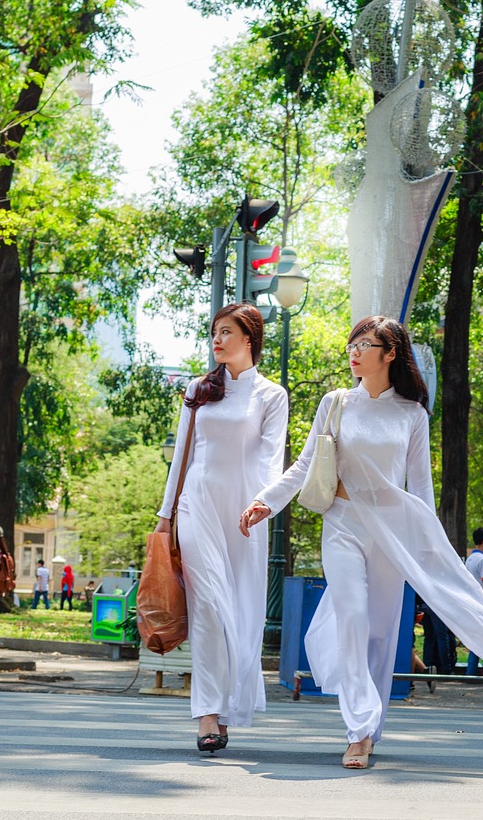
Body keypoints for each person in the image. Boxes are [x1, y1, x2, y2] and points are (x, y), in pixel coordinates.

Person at [241, 316, 483, 770]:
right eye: (351, 343)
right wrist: (266, 501)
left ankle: (371, 728)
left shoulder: (412, 414)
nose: (354, 351)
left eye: (365, 343)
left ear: (390, 352)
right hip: (341, 524)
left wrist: (430, 551)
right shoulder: (335, 403)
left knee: (379, 634)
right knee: (353, 617)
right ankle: (358, 728)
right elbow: (304, 466)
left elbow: (420, 489)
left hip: (392, 533)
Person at [154, 302, 288, 754]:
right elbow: (183, 455)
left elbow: (273, 458)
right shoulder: (199, 389)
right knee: (208, 605)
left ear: (249, 338)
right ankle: (207, 713)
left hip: (245, 515)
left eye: (226, 331)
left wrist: (264, 503)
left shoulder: (271, 396)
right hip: (198, 504)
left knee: (241, 615)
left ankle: (228, 706)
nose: (217, 339)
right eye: (213, 332)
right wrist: (165, 513)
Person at [463, 527, 483, 676]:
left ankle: (471, 671)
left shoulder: (470, 559)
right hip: (481, 604)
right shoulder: (482, 560)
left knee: (476, 639)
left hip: (471, 603)